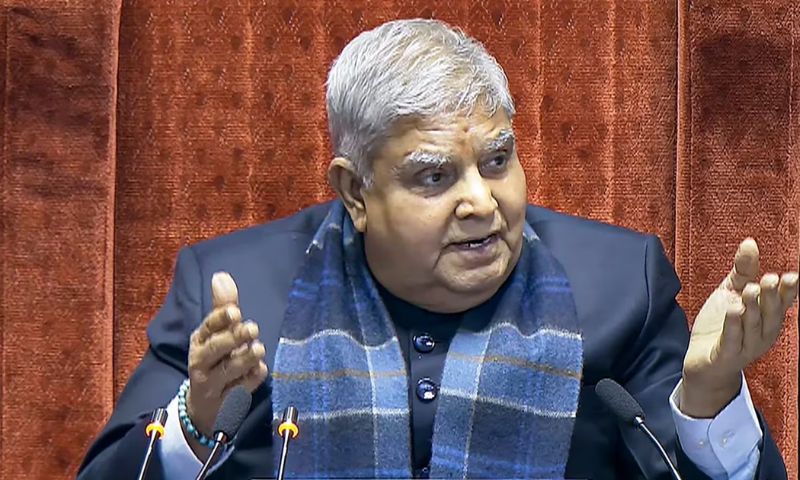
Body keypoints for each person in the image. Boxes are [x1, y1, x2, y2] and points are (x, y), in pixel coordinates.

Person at [79, 19, 797, 480]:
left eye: (497, 161)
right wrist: (196, 423)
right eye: (434, 176)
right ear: (355, 191)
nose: (481, 202)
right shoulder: (239, 295)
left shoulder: (617, 284)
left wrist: (708, 402)